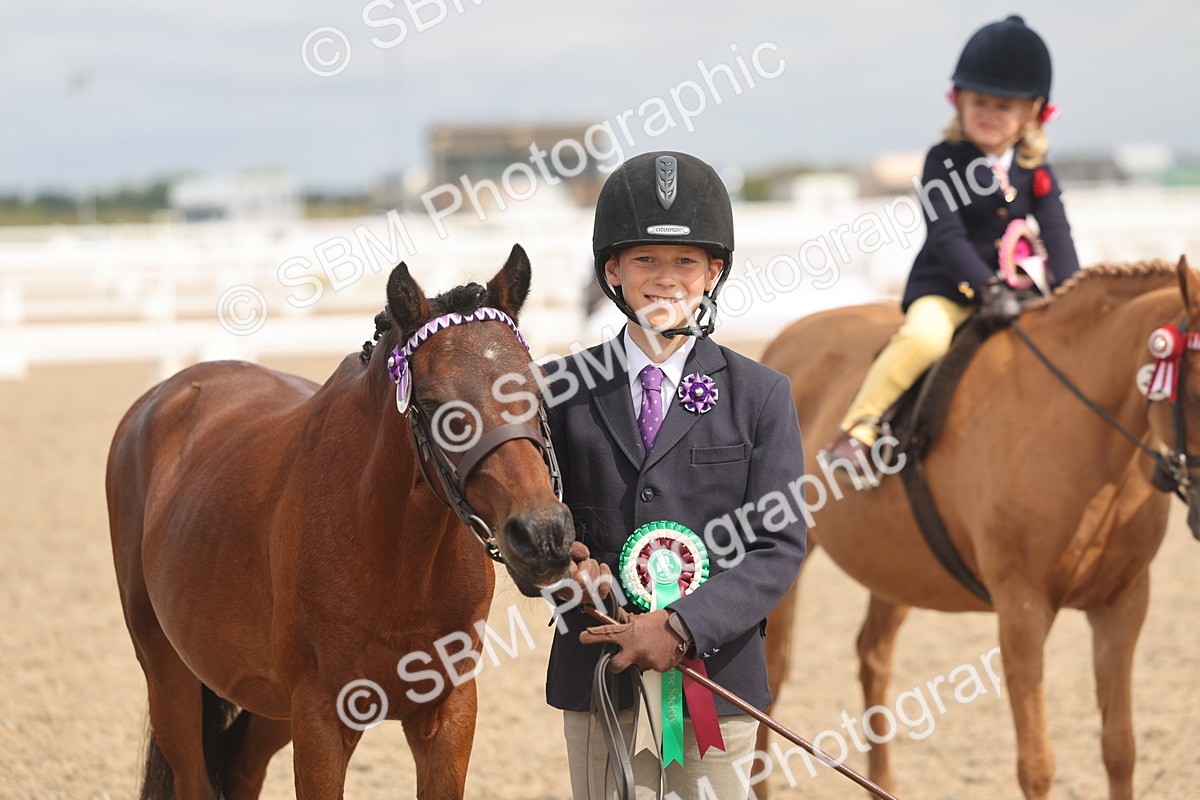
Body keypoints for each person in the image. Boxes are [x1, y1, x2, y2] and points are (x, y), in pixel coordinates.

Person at [534, 151, 807, 799]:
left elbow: (779, 546)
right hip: (601, 671)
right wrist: (566, 572)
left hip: (715, 678)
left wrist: (681, 626)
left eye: (685, 261)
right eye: (645, 260)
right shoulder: (558, 390)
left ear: (714, 272)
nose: (665, 278)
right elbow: (535, 526)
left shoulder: (761, 395)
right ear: (613, 271)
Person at [823, 14, 1081, 475]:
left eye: (1004, 106)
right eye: (979, 101)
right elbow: (946, 234)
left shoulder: (1035, 167)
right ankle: (858, 431)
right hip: (950, 289)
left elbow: (1057, 231)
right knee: (923, 339)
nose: (989, 113)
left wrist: (1071, 291)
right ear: (958, 101)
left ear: (1030, 114)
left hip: (1019, 291)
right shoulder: (944, 160)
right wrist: (987, 287)